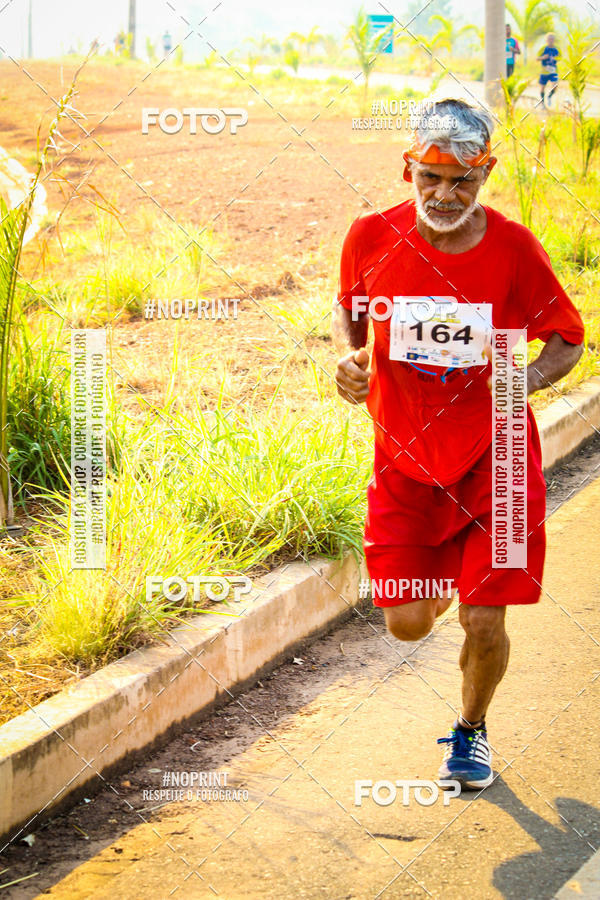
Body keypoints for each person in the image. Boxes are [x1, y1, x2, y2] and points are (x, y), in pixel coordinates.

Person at [332, 98, 584, 791]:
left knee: (484, 615)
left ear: (486, 173)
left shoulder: (513, 249)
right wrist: (352, 361)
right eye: (432, 178)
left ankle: (470, 733)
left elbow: (567, 336)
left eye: (463, 181)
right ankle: (451, 577)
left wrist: (519, 383)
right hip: (405, 460)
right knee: (407, 622)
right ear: (408, 167)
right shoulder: (370, 236)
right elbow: (350, 308)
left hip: (497, 465)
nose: (445, 195)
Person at [538, 33, 560, 107]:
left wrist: (555, 58)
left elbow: (560, 57)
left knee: (555, 86)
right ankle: (543, 103)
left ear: (554, 40)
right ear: (546, 40)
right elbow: (537, 58)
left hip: (553, 71)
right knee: (542, 88)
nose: (551, 41)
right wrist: (543, 57)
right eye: (549, 39)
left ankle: (549, 96)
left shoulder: (557, 49)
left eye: (552, 39)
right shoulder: (543, 48)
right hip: (544, 72)